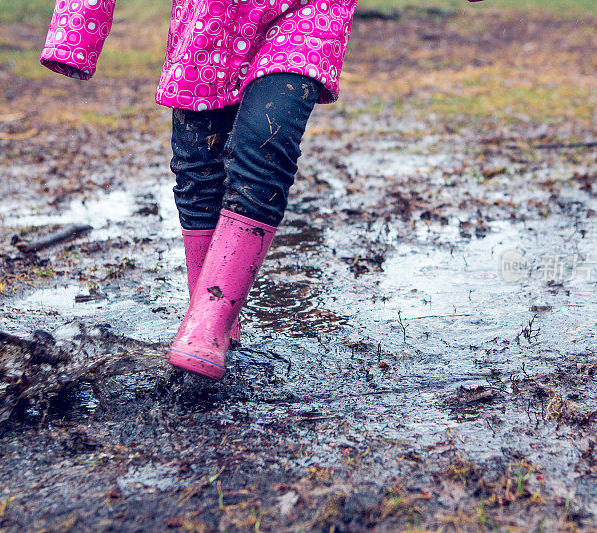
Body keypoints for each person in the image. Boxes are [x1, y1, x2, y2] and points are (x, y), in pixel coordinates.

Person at [40, 0, 481, 380]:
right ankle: (213, 315)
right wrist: (75, 33)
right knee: (198, 164)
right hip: (207, 19)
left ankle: (208, 321)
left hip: (307, 12)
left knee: (265, 141)